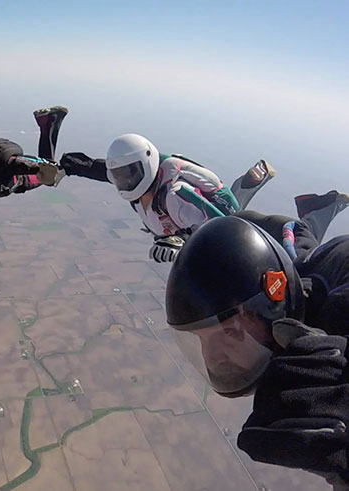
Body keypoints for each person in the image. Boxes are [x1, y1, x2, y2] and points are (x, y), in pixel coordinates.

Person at [165, 194, 349, 488]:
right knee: (296, 241)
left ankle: (316, 212)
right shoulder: (289, 293)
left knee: (296, 241)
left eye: (230, 332)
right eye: (200, 340)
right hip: (301, 266)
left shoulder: (338, 307)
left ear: (271, 309)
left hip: (329, 264)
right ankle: (311, 216)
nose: (212, 359)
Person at [63, 133, 275, 263]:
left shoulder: (175, 195)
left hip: (214, 215)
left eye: (128, 174)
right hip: (183, 221)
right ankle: (250, 181)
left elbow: (219, 227)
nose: (124, 181)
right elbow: (106, 172)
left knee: (236, 221)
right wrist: (73, 167)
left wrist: (180, 240)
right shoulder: (135, 177)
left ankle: (251, 181)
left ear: (146, 164)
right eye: (120, 176)